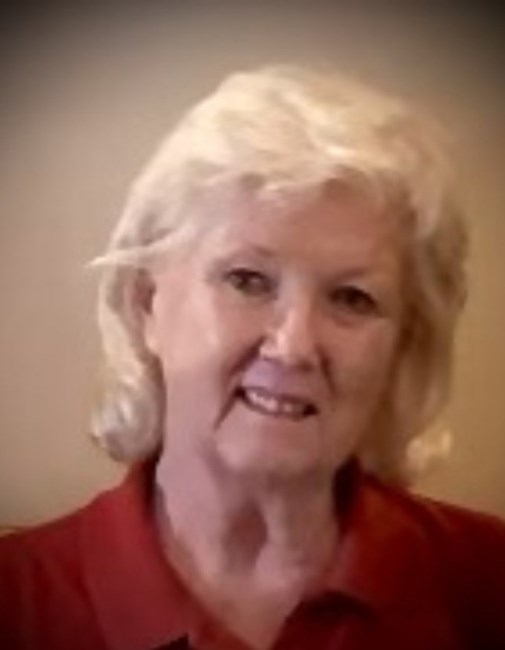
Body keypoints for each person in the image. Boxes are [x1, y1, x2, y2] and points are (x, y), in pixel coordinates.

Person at [1, 65, 504, 650]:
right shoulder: (18, 601)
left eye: (352, 298)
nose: (294, 346)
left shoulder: (486, 583)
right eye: (247, 280)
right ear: (146, 304)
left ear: (402, 348)